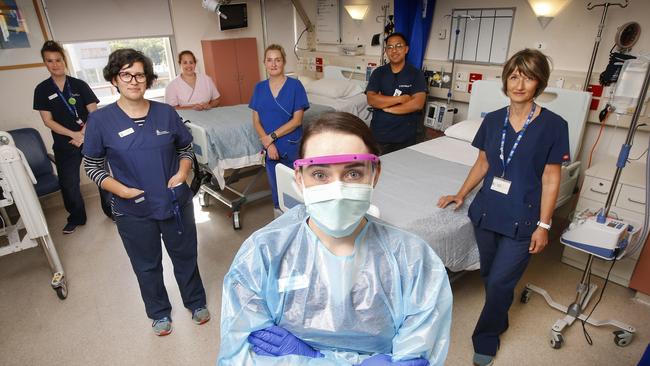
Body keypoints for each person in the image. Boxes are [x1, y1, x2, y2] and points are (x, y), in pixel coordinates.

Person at [218, 112, 452, 365]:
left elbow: (416, 356)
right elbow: (242, 356)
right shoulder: (263, 253)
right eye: (320, 174)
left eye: (352, 174)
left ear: (375, 174)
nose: (337, 190)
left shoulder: (413, 260)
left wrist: (310, 359)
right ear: (299, 178)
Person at [437, 49, 569, 366]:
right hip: (487, 211)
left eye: (528, 76)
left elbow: (552, 179)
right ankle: (500, 315)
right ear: (505, 80)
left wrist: (545, 224)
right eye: (513, 75)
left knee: (498, 282)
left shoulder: (554, 125)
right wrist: (460, 193)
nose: (519, 83)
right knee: (490, 275)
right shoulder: (493, 120)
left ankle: (486, 336)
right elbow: (483, 162)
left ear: (539, 82)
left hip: (523, 219)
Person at [82, 48, 210, 336]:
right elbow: (92, 165)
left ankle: (196, 302)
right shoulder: (101, 121)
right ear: (115, 79)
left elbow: (185, 148)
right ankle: (159, 313)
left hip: (174, 201)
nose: (133, 80)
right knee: (146, 264)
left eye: (139, 74)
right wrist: (122, 191)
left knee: (185, 256)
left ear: (148, 79)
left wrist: (181, 173)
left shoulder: (165, 113)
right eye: (125, 74)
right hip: (132, 209)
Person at [33, 40, 103, 234]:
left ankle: (113, 212)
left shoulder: (79, 85)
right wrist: (73, 134)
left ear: (65, 61)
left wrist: (82, 135)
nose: (55, 64)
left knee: (102, 177)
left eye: (58, 60)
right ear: (45, 63)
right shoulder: (42, 89)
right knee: (68, 183)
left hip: (90, 138)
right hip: (65, 143)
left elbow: (94, 113)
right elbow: (47, 120)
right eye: (50, 61)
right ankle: (76, 217)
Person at [250, 44, 309, 216]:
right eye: (269, 60)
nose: (273, 64)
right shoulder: (259, 88)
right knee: (277, 191)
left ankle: (301, 224)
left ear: (283, 62)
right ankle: (279, 226)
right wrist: (268, 144)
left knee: (297, 191)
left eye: (278, 60)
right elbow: (256, 121)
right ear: (264, 63)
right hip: (270, 148)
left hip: (291, 146)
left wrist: (271, 137)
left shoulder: (295, 86)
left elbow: (297, 120)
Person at [366, 33, 427, 155]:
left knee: (402, 169)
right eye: (390, 47)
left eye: (398, 46)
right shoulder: (379, 73)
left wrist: (388, 108)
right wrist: (400, 99)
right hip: (380, 133)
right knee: (378, 169)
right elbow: (371, 99)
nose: (394, 50)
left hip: (405, 135)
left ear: (406, 49)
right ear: (386, 51)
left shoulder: (415, 74)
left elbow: (417, 103)